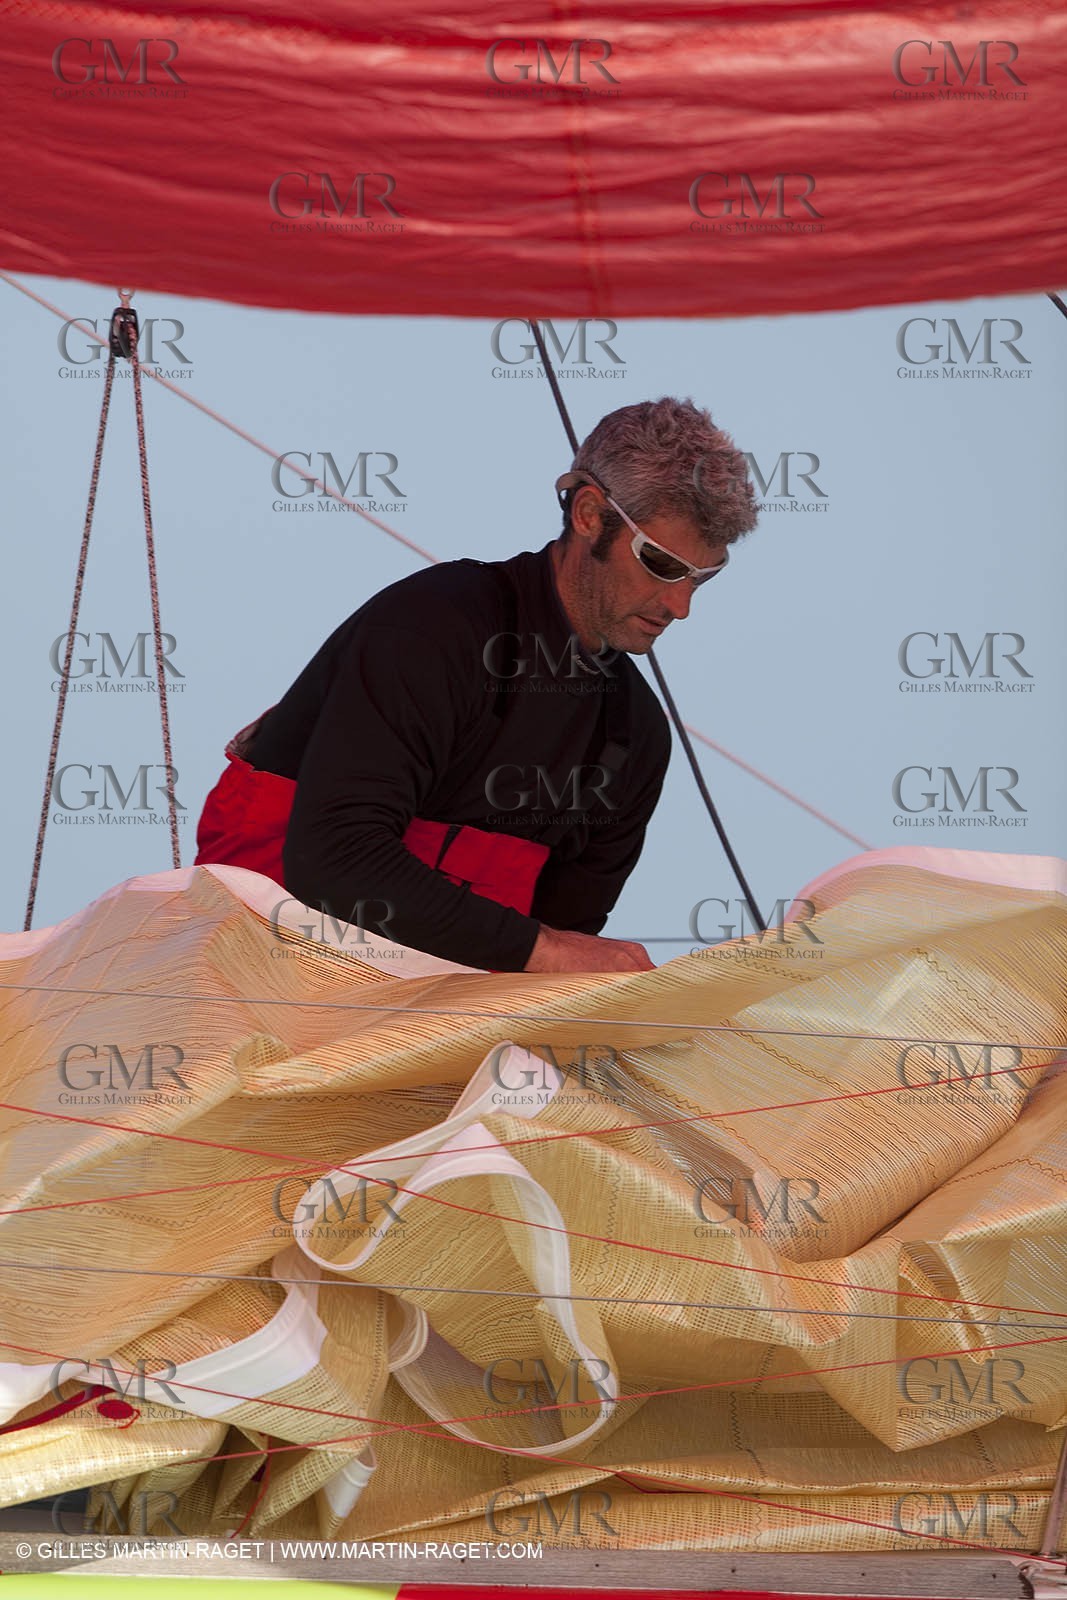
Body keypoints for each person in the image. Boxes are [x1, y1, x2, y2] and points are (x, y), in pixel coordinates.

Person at [195, 398, 757, 972]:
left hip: (425, 1035)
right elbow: (337, 861)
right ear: (589, 514)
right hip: (258, 986)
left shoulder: (635, 738)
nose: (681, 606)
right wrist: (545, 949)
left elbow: (564, 954)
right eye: (663, 565)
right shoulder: (433, 626)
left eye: (702, 576)